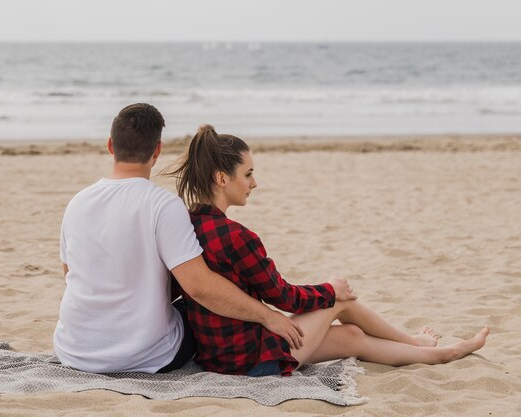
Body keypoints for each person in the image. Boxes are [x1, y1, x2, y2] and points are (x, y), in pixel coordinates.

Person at [166, 124, 489, 377]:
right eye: (248, 174)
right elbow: (284, 297)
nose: (254, 183)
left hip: (217, 356)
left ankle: (434, 354)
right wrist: (330, 289)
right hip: (250, 359)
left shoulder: (186, 226)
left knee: (350, 336)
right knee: (341, 299)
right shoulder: (238, 236)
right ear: (222, 178)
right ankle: (416, 342)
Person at [53, 103, 305, 374]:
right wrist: (268, 316)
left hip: (74, 350)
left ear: (110, 145)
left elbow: (70, 273)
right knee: (198, 308)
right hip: (145, 356)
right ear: (157, 151)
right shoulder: (163, 205)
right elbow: (199, 286)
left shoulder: (77, 203)